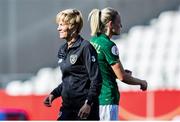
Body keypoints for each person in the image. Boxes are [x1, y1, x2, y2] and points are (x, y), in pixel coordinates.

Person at [88, 7, 148, 120]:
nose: (121, 26)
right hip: (107, 100)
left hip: (93, 100)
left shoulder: (92, 42)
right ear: (110, 24)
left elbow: (99, 69)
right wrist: (141, 82)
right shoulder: (109, 45)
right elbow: (122, 77)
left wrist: (115, 73)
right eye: (119, 22)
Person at [43, 9, 102, 120]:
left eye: (61, 25)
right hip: (67, 108)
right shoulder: (62, 50)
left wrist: (88, 104)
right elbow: (69, 80)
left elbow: (96, 79)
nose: (58, 28)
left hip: (84, 109)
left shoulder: (85, 47)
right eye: (58, 25)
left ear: (73, 27)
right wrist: (53, 94)